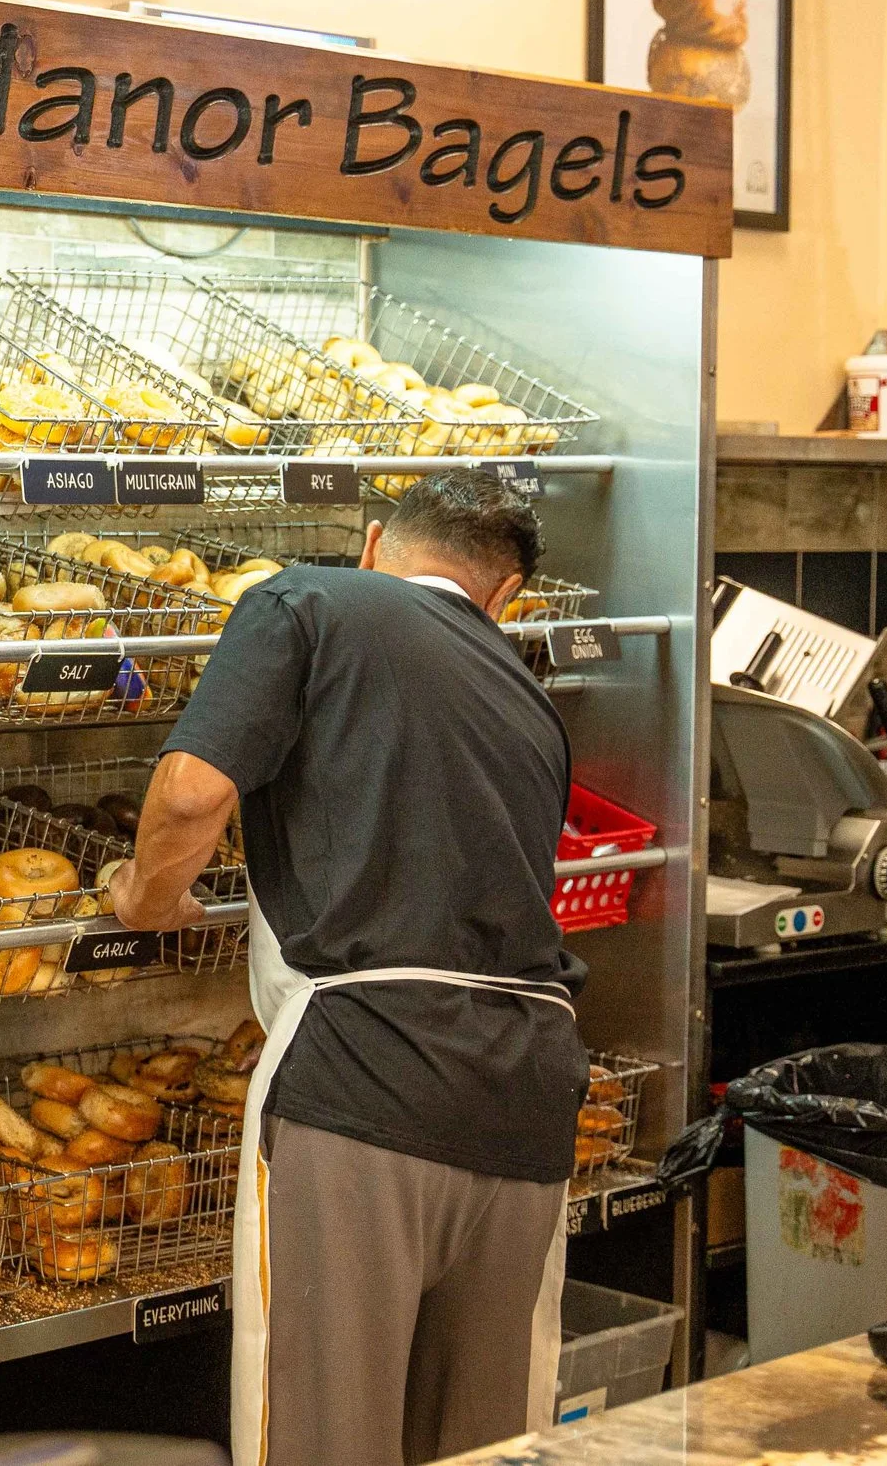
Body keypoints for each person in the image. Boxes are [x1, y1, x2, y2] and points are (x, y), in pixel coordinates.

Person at [108, 469, 588, 1466]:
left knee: (326, 1438)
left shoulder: (305, 599)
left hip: (364, 1078)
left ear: (373, 542)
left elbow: (194, 794)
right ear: (505, 598)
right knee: (485, 1444)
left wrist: (145, 900)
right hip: (532, 1095)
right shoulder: (527, 695)